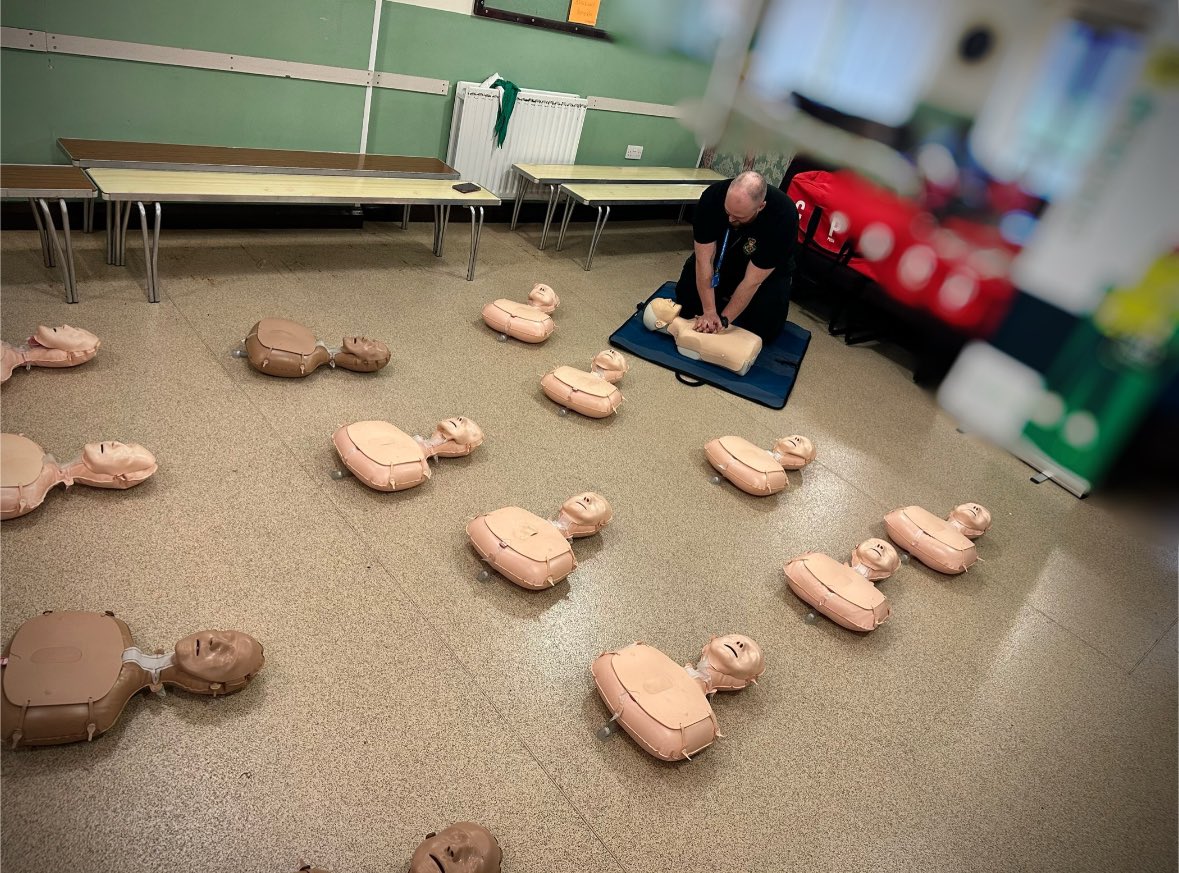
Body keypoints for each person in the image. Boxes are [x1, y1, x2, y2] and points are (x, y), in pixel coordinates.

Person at [675, 170, 799, 342]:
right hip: (724, 256)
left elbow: (752, 281)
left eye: (739, 216)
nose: (731, 219)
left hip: (767, 270)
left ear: (760, 206)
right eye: (728, 212)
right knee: (686, 303)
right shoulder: (712, 196)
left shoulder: (784, 215)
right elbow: (704, 260)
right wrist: (709, 311)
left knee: (764, 331)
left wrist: (723, 320)